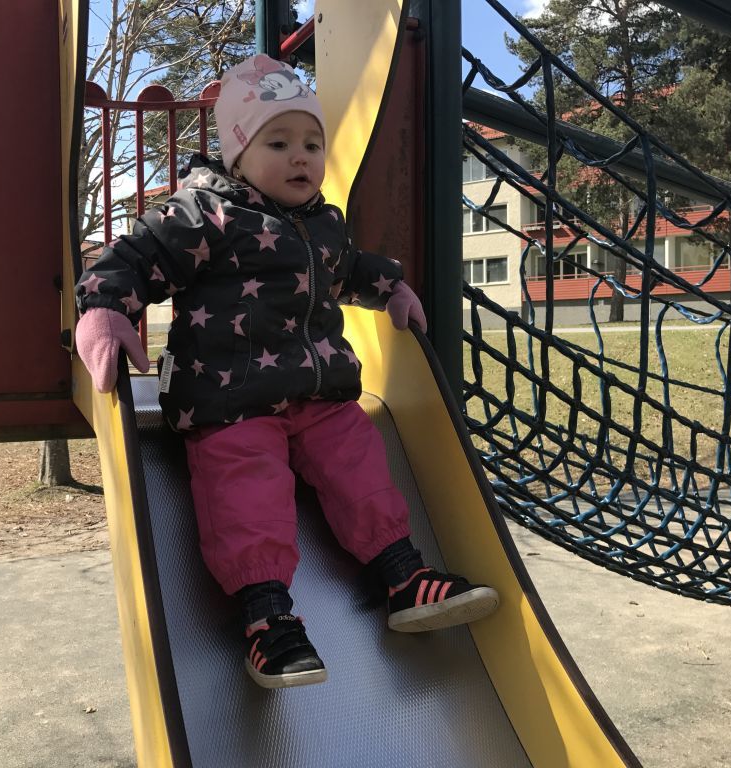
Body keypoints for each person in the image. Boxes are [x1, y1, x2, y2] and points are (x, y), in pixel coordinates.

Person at [74, 54, 499, 690]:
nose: (301, 157)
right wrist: (105, 309)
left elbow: (349, 267)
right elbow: (134, 257)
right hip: (231, 400)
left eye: (312, 144)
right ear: (237, 155)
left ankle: (403, 576)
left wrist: (391, 288)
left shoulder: (321, 222)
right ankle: (267, 617)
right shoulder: (203, 213)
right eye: (278, 143)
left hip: (319, 394)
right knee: (246, 493)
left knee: (361, 466)